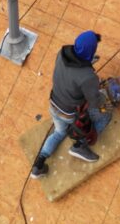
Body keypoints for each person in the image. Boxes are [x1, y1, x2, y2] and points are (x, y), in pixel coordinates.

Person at [30, 30, 112, 179]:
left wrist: (87, 65)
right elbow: (94, 102)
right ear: (91, 51)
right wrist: (104, 97)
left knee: (59, 132)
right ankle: (80, 145)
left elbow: (71, 73)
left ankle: (39, 163)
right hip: (70, 113)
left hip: (54, 105)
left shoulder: (61, 54)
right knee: (105, 116)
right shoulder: (88, 77)